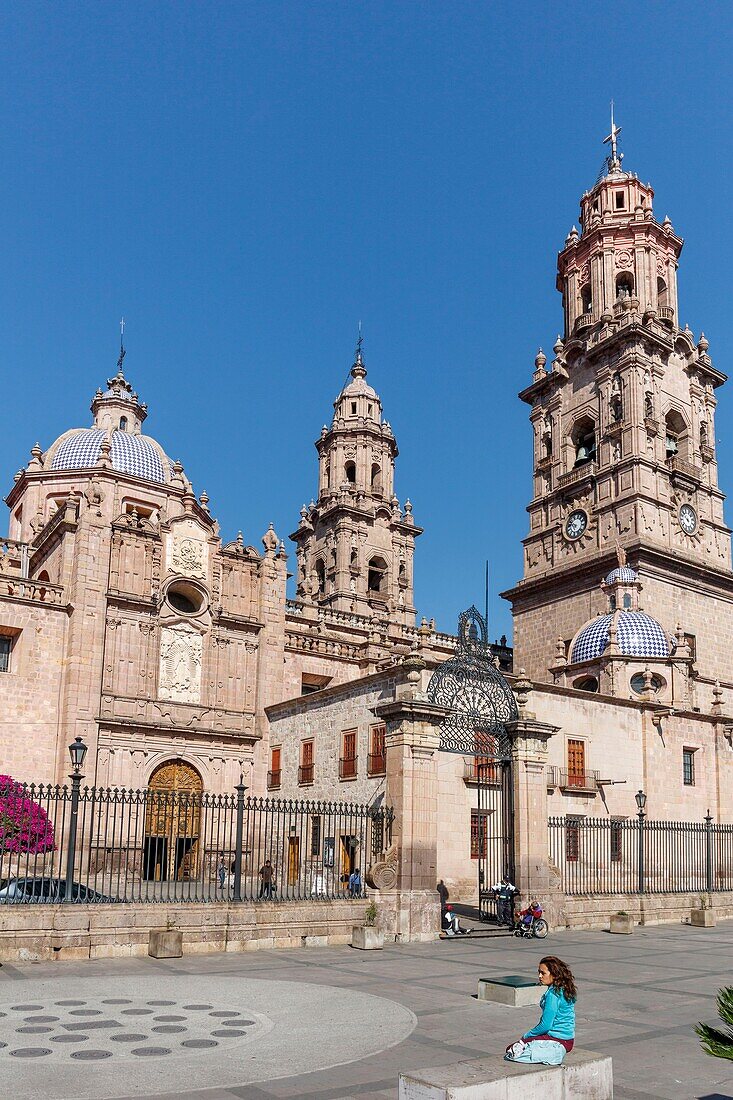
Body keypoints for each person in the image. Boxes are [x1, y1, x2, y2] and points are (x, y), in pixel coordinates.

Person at [505, 956, 577, 1065]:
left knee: (511, 1050)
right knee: (515, 1047)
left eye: (543, 973)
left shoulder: (553, 995)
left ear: (554, 974)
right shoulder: (563, 988)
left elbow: (546, 1025)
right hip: (567, 1038)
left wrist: (526, 1036)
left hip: (558, 1039)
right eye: (539, 972)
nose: (539, 976)